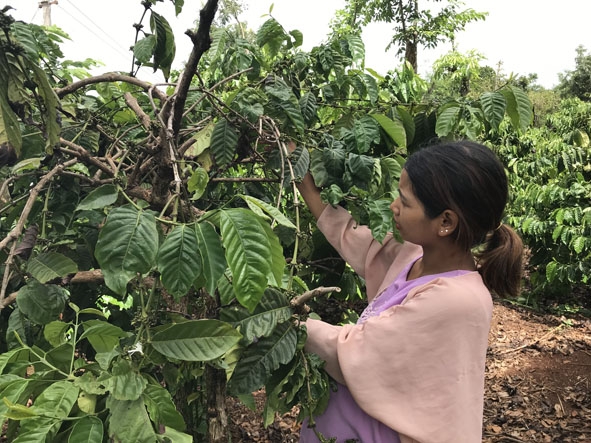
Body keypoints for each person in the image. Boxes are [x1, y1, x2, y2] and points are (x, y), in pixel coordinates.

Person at [292, 140, 524, 443]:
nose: (393, 206)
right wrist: (296, 162)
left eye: (405, 201)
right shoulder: (414, 256)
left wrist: (286, 325)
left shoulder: (455, 300)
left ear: (445, 221)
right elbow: (347, 232)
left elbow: (356, 352)